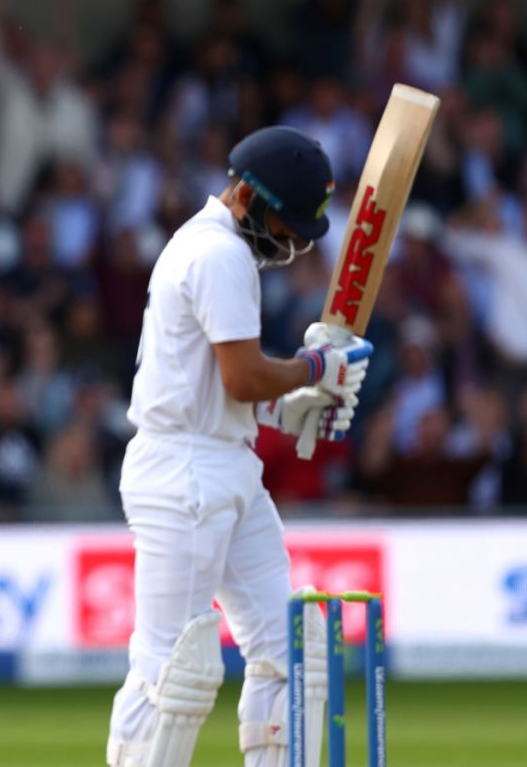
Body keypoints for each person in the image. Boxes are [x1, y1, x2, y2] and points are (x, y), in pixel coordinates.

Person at [106, 126, 372, 767]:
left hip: (225, 463)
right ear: (247, 197)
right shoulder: (218, 254)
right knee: (172, 669)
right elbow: (242, 375)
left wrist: (295, 406)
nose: (286, 245)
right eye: (283, 227)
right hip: (183, 473)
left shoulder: (217, 249)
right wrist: (313, 371)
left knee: (289, 652)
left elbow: (223, 388)